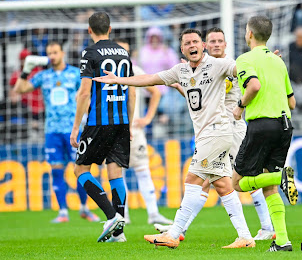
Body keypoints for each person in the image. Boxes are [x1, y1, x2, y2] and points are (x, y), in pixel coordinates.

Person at [94, 29, 254, 249]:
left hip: (218, 131)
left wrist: (262, 61)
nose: (192, 46)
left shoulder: (219, 65)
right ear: (182, 49)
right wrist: (119, 79)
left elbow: (243, 70)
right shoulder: (181, 71)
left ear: (203, 45)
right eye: (187, 43)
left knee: (192, 180)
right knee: (223, 184)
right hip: (207, 134)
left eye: (195, 42)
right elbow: (149, 79)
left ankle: (174, 233)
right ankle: (245, 237)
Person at [155, 27, 275, 241]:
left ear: (226, 44)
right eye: (213, 41)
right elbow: (198, 99)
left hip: (233, 128)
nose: (217, 44)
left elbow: (249, 84)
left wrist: (264, 66)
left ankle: (266, 226)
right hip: (214, 129)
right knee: (211, 181)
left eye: (221, 40)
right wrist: (181, 84)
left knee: (242, 175)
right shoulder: (201, 67)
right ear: (205, 45)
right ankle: (179, 229)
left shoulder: (230, 66)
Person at [231, 16, 298, 252]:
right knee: (268, 188)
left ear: (249, 33)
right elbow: (293, 102)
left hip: (262, 125)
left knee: (237, 183)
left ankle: (279, 178)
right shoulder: (278, 62)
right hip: (285, 125)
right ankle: (282, 241)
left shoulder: (245, 59)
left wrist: (239, 105)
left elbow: (254, 85)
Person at [14, 41, 100, 223]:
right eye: (49, 53)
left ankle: (84, 208)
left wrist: (90, 123)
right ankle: (63, 212)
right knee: (56, 171)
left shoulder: (76, 73)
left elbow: (87, 96)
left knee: (80, 169)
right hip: (52, 130)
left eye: (55, 52)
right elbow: (19, 90)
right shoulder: (43, 76)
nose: (52, 56)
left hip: (73, 130)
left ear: (62, 53)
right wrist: (26, 70)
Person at [70, 12, 136, 243]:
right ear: (110, 28)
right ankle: (119, 233)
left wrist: (76, 127)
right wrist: (131, 121)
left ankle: (111, 217)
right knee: (115, 172)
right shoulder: (124, 53)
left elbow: (85, 92)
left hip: (99, 121)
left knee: (80, 169)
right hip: (122, 120)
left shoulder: (90, 53)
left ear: (90, 30)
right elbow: (132, 88)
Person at [115, 39, 173, 227]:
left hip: (134, 130)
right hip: (113, 131)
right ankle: (122, 215)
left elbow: (155, 92)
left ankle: (153, 213)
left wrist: (147, 118)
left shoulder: (135, 71)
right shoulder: (106, 72)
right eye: (120, 51)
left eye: (127, 51)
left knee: (143, 170)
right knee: (116, 173)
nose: (124, 54)